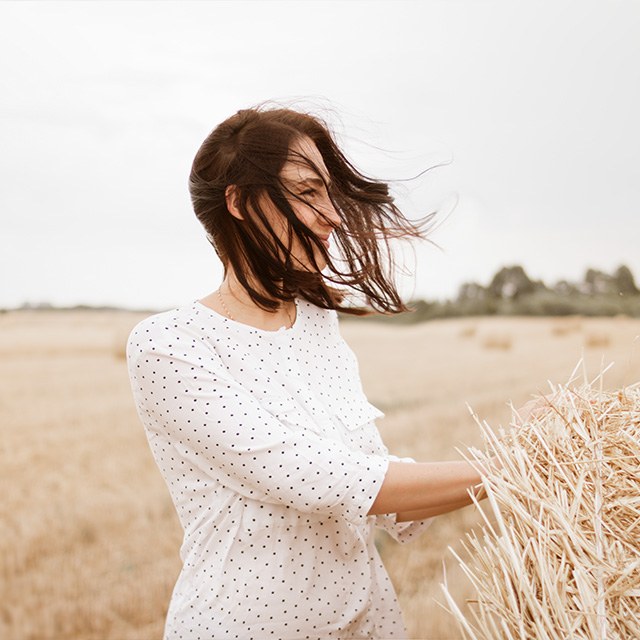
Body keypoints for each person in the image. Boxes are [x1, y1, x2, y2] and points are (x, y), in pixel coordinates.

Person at [127, 105, 493, 639]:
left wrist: (524, 456)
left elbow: (372, 477)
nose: (335, 216)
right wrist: (509, 462)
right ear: (240, 203)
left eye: (328, 193)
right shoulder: (171, 344)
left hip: (368, 625)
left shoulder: (317, 323)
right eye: (307, 192)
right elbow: (327, 482)